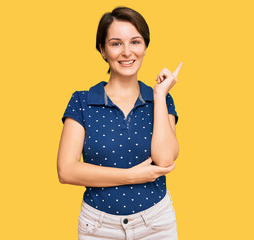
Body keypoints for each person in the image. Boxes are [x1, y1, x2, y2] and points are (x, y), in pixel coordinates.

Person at [57, 6, 182, 239]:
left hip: (157, 224)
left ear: (144, 47)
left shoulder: (161, 100)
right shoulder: (82, 101)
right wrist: (132, 176)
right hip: (98, 227)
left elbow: (164, 160)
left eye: (135, 42)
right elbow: (66, 170)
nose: (127, 52)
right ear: (103, 50)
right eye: (116, 43)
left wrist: (159, 95)